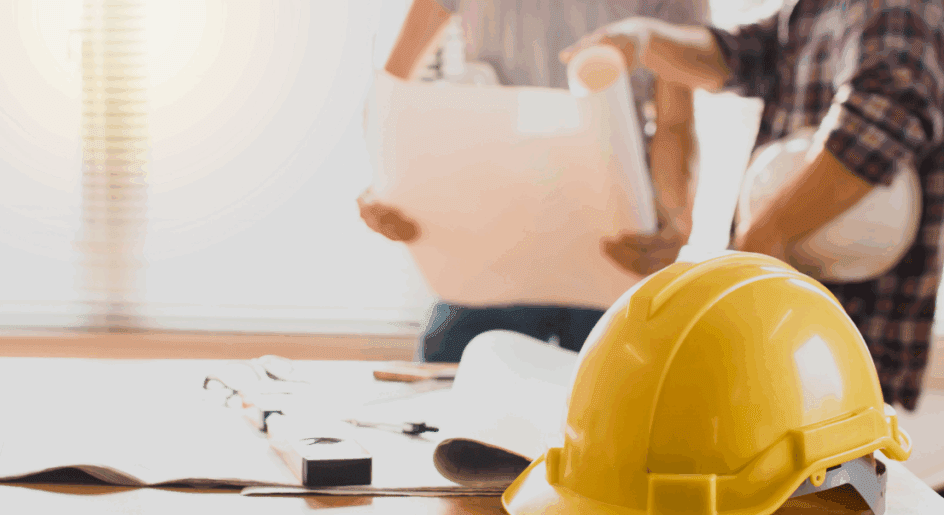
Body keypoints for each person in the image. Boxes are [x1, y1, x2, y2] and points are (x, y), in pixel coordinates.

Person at [561, 0, 944, 411]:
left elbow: (884, 114)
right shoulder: (815, 10)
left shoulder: (895, 7)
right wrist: (645, 40)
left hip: (847, 338)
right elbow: (741, 54)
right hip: (802, 344)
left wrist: (765, 235)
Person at [358, 0, 710, 363]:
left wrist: (673, 220)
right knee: (449, 383)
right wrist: (386, 187)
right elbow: (393, 93)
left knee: (616, 393)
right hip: (490, 232)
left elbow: (675, 119)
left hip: (609, 231)